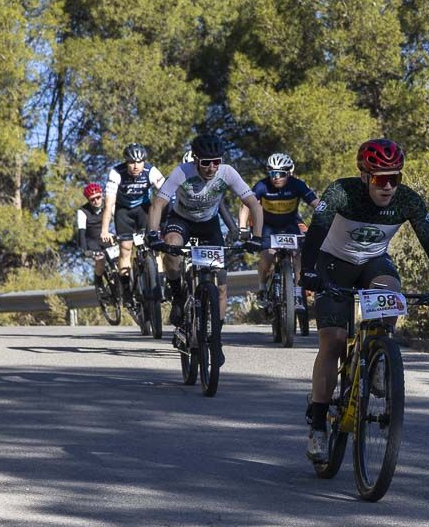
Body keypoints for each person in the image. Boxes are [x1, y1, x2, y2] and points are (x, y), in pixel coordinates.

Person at [298, 138, 429, 461]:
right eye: (379, 179)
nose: (387, 187)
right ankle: (318, 422)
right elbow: (317, 230)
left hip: (373, 262)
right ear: (364, 176)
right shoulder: (342, 193)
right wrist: (308, 271)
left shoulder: (408, 201)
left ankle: (377, 356)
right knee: (334, 341)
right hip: (333, 263)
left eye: (394, 178)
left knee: (389, 292)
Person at [147, 133, 264, 364]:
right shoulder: (182, 172)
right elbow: (158, 204)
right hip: (181, 221)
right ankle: (179, 296)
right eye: (205, 163)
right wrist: (152, 233)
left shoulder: (227, 172)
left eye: (216, 162)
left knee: (220, 285)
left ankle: (216, 340)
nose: (211, 168)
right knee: (171, 247)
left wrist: (258, 237)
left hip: (209, 225)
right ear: (195, 160)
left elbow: (253, 204)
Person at [237, 152, 320, 306]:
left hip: (290, 225)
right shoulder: (262, 186)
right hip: (268, 227)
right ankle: (262, 289)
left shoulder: (297, 185)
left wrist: (326, 219)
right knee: (267, 256)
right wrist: (242, 227)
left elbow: (316, 203)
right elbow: (246, 205)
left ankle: (297, 294)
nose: (276, 177)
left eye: (280, 173)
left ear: (288, 173)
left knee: (296, 255)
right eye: (272, 173)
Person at [100, 143, 166, 296]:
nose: (136, 166)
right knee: (125, 250)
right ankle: (127, 291)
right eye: (131, 162)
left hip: (143, 209)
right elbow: (109, 204)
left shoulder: (151, 171)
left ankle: (160, 286)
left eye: (139, 162)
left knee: (154, 248)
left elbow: (166, 193)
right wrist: (104, 230)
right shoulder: (116, 173)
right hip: (123, 211)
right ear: (126, 161)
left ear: (144, 161)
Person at [77, 183, 110, 287]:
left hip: (106, 236)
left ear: (102, 195)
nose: (96, 201)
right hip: (92, 241)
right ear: (88, 200)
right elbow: (81, 232)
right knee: (100, 260)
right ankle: (99, 282)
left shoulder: (108, 205)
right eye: (92, 199)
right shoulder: (82, 211)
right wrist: (85, 250)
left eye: (98, 197)